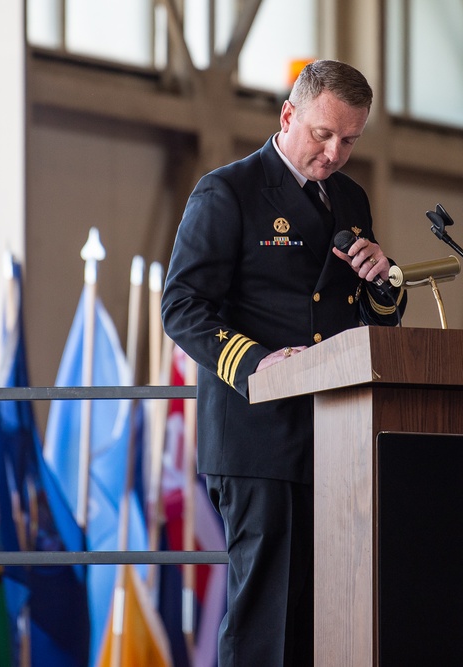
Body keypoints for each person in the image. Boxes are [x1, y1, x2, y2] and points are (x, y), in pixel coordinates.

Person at [161, 59, 406, 666]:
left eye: (349, 139)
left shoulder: (350, 199)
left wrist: (382, 284)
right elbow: (182, 306)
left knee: (325, 620)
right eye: (322, 133)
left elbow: (366, 319)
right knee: (264, 623)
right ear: (288, 114)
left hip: (337, 436)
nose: (334, 151)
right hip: (259, 437)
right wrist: (255, 365)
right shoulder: (229, 191)